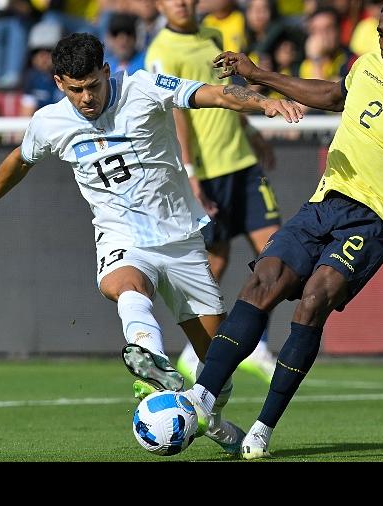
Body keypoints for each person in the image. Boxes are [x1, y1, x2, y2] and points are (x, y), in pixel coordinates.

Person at [0, 32, 303, 454]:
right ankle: (151, 362)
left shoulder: (144, 87)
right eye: (75, 89)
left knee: (219, 366)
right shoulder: (50, 122)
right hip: (121, 234)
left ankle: (208, 416)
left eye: (93, 86)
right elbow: (20, 159)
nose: (86, 98)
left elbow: (214, 94)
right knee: (123, 284)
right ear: (60, 84)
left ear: (106, 71)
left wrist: (262, 101)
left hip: (180, 241)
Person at [184, 0, 383, 459]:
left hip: (371, 220)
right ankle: (201, 397)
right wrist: (259, 74)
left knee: (314, 299)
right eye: (381, 32)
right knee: (263, 281)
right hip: (324, 202)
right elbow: (332, 95)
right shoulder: (369, 64)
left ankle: (263, 426)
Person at [146, 0, 284, 386]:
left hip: (242, 163)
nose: (182, 3)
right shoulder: (161, 51)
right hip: (207, 172)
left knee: (276, 254)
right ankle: (196, 349)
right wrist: (190, 173)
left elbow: (227, 93)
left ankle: (254, 345)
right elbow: (177, 112)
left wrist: (251, 133)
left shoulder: (212, 36)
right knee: (213, 264)